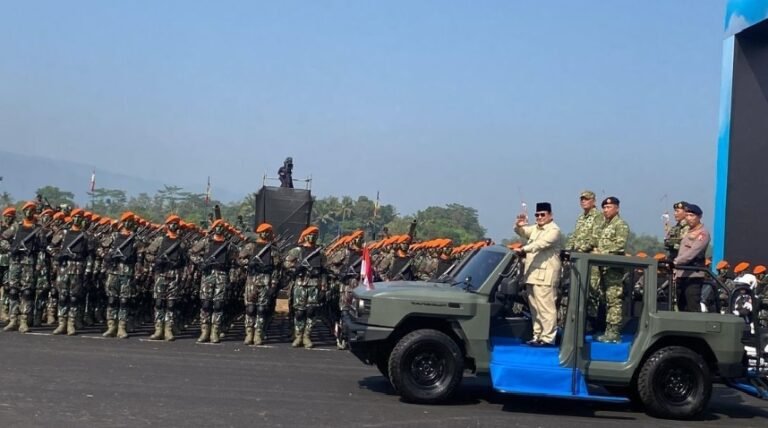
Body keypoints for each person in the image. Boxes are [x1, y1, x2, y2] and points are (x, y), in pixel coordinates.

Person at [513, 202, 562, 346]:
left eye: (543, 215)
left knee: (546, 308)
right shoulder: (535, 229)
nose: (540, 217)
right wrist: (519, 225)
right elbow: (522, 232)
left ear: (550, 215)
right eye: (537, 215)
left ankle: (548, 338)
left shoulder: (554, 230)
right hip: (532, 274)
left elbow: (541, 244)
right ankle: (537, 336)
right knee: (535, 308)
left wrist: (523, 249)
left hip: (546, 276)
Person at [144, 215, 189, 341]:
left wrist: (179, 266)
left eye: (176, 224)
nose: (174, 226)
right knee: (159, 302)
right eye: (171, 223)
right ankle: (158, 329)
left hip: (174, 276)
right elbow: (148, 254)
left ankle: (168, 329)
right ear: (167, 225)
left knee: (171, 304)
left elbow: (186, 260)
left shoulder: (182, 243)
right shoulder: (160, 240)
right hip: (161, 274)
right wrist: (156, 261)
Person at [1, 201, 44, 333]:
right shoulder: (16, 227)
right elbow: (2, 238)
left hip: (29, 262)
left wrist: (39, 265)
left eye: (32, 210)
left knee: (27, 292)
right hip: (15, 262)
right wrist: (11, 248)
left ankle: (24, 321)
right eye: (27, 210)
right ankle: (13, 319)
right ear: (24, 212)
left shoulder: (38, 229)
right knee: (13, 291)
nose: (29, 212)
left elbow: (42, 249)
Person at [592, 197, 630, 343]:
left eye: (609, 207)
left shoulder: (621, 225)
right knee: (604, 299)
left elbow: (619, 246)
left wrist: (602, 252)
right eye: (604, 208)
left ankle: (614, 332)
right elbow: (596, 243)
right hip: (603, 268)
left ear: (617, 208)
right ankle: (606, 330)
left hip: (613, 269)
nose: (606, 210)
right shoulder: (603, 226)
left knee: (614, 300)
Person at [238, 223, 281, 346]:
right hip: (252, 280)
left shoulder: (273, 250)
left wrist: (273, 285)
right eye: (263, 232)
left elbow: (277, 269)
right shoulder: (250, 247)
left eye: (268, 232)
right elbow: (239, 259)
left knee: (262, 310)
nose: (266, 234)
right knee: (250, 309)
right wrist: (248, 263)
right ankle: (249, 334)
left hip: (266, 281)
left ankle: (258, 334)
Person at [283, 226, 327, 348]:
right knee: (299, 312)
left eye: (314, 235)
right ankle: (298, 335)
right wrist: (297, 267)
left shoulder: (320, 253)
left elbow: (324, 271)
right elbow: (286, 264)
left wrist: (323, 287)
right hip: (300, 284)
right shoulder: (297, 251)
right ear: (305, 236)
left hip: (314, 285)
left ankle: (307, 336)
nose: (312, 237)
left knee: (311, 312)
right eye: (310, 235)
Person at [52, 208, 91, 335]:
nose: (78, 219)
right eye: (76, 217)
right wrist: (57, 255)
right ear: (72, 218)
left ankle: (71, 324)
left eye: (80, 217)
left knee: (74, 298)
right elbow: (50, 246)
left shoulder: (85, 235)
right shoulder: (63, 233)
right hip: (64, 268)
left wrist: (88, 270)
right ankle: (62, 323)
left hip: (78, 268)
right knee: (63, 296)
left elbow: (90, 255)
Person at [102, 212, 141, 339]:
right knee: (112, 300)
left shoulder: (136, 239)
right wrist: (107, 256)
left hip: (127, 272)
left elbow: (140, 256)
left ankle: (122, 328)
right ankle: (111, 326)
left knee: (124, 301)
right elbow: (101, 248)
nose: (129, 223)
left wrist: (138, 273)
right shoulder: (114, 236)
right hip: (113, 271)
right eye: (126, 221)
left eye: (131, 221)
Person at [673, 204, 710, 312]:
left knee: (692, 307)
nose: (689, 218)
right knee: (681, 307)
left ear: (699, 217)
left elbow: (692, 252)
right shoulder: (687, 232)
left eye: (692, 215)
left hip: (693, 275)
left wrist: (675, 262)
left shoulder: (703, 233)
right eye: (687, 215)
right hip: (681, 274)